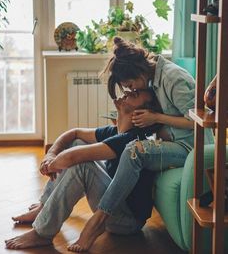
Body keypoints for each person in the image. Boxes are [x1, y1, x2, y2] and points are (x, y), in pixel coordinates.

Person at [65, 37, 215, 252]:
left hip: (191, 148)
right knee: (117, 143)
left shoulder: (173, 78)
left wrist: (156, 118)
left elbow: (196, 121)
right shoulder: (155, 78)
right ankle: (48, 204)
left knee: (134, 151)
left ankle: (97, 221)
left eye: (130, 85)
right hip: (172, 142)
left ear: (138, 72)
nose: (130, 89)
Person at [5, 87, 166, 250]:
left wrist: (50, 164)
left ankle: (42, 233)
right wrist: (51, 154)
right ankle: (43, 207)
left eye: (134, 95)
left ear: (140, 114)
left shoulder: (133, 139)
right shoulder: (114, 132)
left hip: (126, 221)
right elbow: (74, 133)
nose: (127, 92)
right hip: (113, 207)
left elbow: (72, 158)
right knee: (77, 143)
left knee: (82, 164)